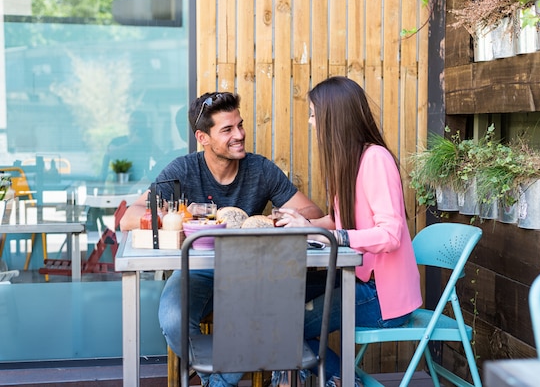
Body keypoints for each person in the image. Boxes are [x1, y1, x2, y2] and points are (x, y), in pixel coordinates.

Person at [120, 91, 324, 387]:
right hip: (196, 271)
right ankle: (215, 378)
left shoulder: (260, 169)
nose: (239, 135)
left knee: (270, 321)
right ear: (203, 138)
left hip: (251, 275)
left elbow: (311, 211)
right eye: (227, 130)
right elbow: (130, 216)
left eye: (239, 125)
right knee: (174, 321)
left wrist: (274, 219)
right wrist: (181, 217)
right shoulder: (183, 170)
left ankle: (221, 382)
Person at [276, 76, 423, 386]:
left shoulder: (375, 160)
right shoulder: (351, 162)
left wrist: (336, 237)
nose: (311, 122)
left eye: (315, 114)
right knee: (279, 307)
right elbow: (340, 220)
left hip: (382, 298)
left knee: (287, 325)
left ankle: (345, 382)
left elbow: (390, 233)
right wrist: (306, 224)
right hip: (363, 285)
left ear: (334, 117)